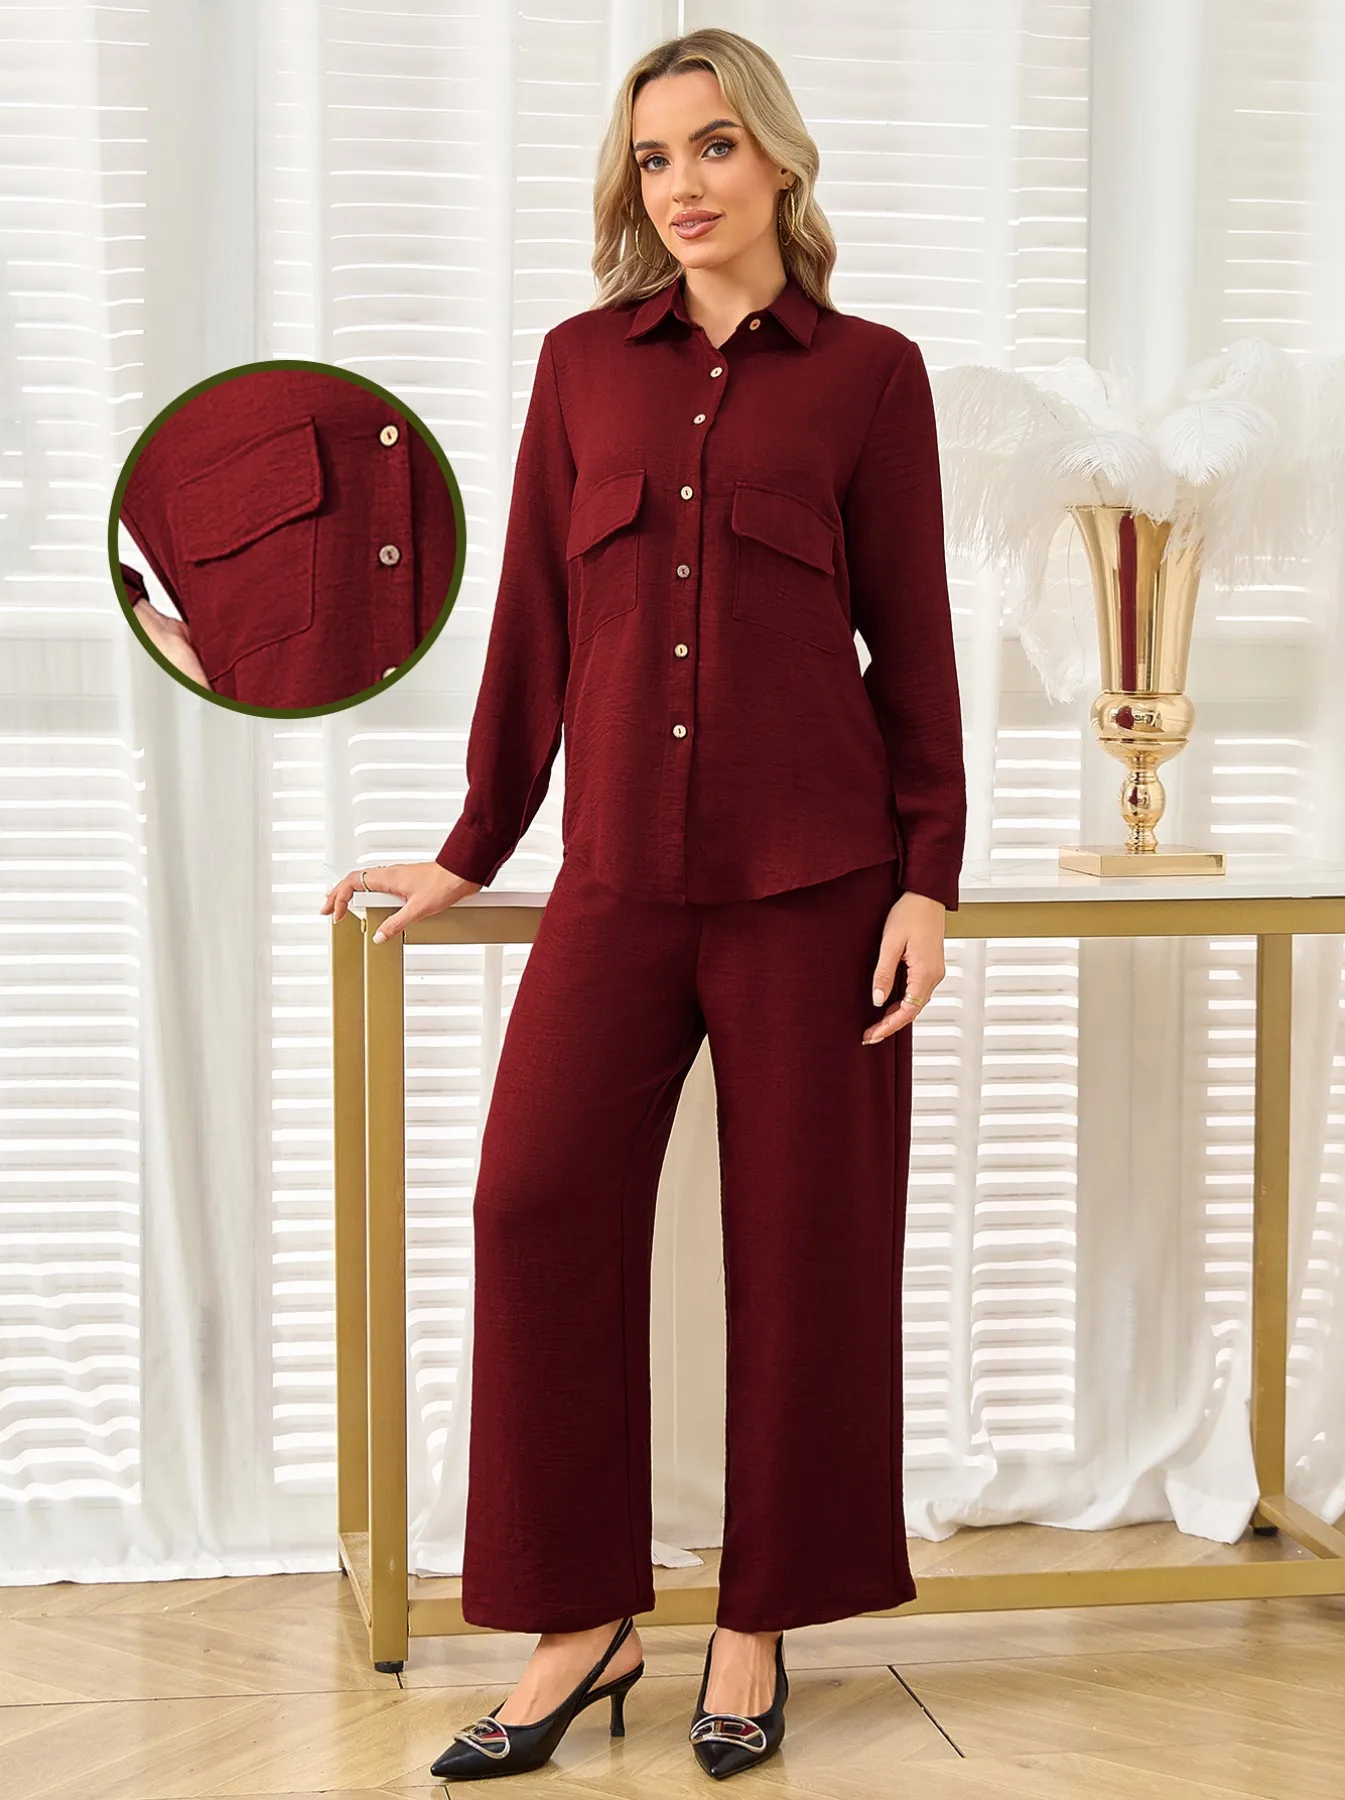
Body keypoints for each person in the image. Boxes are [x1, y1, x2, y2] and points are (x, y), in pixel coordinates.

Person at [322, 25, 965, 1784]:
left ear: (780, 160)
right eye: (654, 157)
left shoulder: (871, 377)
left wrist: (926, 881)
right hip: (615, 872)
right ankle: (578, 1621)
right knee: (532, 1201)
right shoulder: (578, 368)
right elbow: (533, 626)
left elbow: (912, 642)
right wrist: (474, 844)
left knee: (808, 1246)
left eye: (714, 146)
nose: (681, 184)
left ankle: (759, 1618)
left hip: (817, 884)